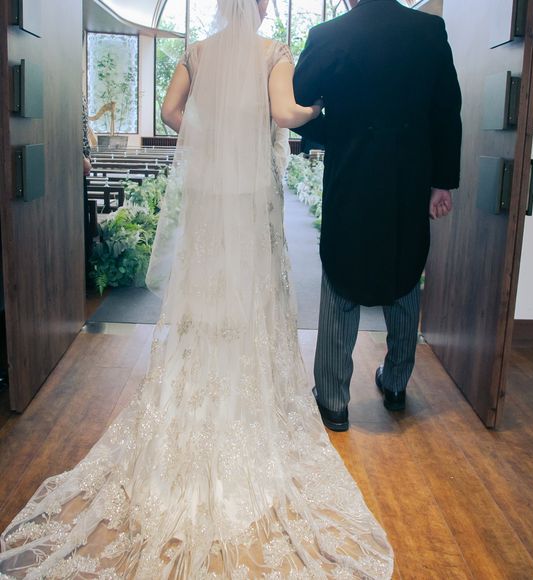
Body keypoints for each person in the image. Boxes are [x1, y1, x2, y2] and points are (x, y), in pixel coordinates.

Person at [0, 0, 394, 576]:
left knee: (206, 280)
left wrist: (210, 138)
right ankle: (242, 382)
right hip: (251, 192)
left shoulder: (198, 53)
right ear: (261, 5)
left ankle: (199, 375)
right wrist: (319, 105)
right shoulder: (273, 53)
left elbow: (170, 111)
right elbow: (285, 114)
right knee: (251, 286)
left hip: (211, 191)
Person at [293, 0, 462, 431]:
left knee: (341, 275)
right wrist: (441, 182)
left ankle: (333, 400)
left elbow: (296, 107)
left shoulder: (328, 35)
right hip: (409, 179)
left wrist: (337, 134)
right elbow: (446, 112)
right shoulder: (429, 31)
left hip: (351, 175)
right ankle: (396, 383)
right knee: (405, 272)